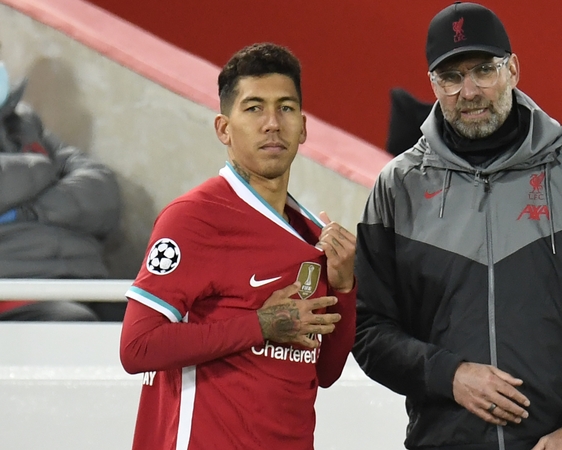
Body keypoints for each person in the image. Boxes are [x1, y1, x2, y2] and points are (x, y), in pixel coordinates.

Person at [352, 3, 562, 450]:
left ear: (512, 70)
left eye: (483, 70)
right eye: (451, 77)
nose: (469, 90)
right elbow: (368, 329)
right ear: (433, 83)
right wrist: (449, 375)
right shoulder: (398, 188)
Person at [119, 42, 357, 450]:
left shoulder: (315, 234)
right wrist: (261, 325)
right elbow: (137, 348)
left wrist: (345, 285)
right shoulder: (194, 218)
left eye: (285, 108)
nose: (272, 123)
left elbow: (326, 371)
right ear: (223, 129)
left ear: (302, 126)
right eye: (253, 108)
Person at [0, 55, 120, 321]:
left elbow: (102, 192)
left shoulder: (25, 125)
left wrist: (30, 211)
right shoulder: (45, 156)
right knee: (76, 327)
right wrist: (46, 170)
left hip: (82, 280)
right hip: (15, 290)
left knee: (168, 327)